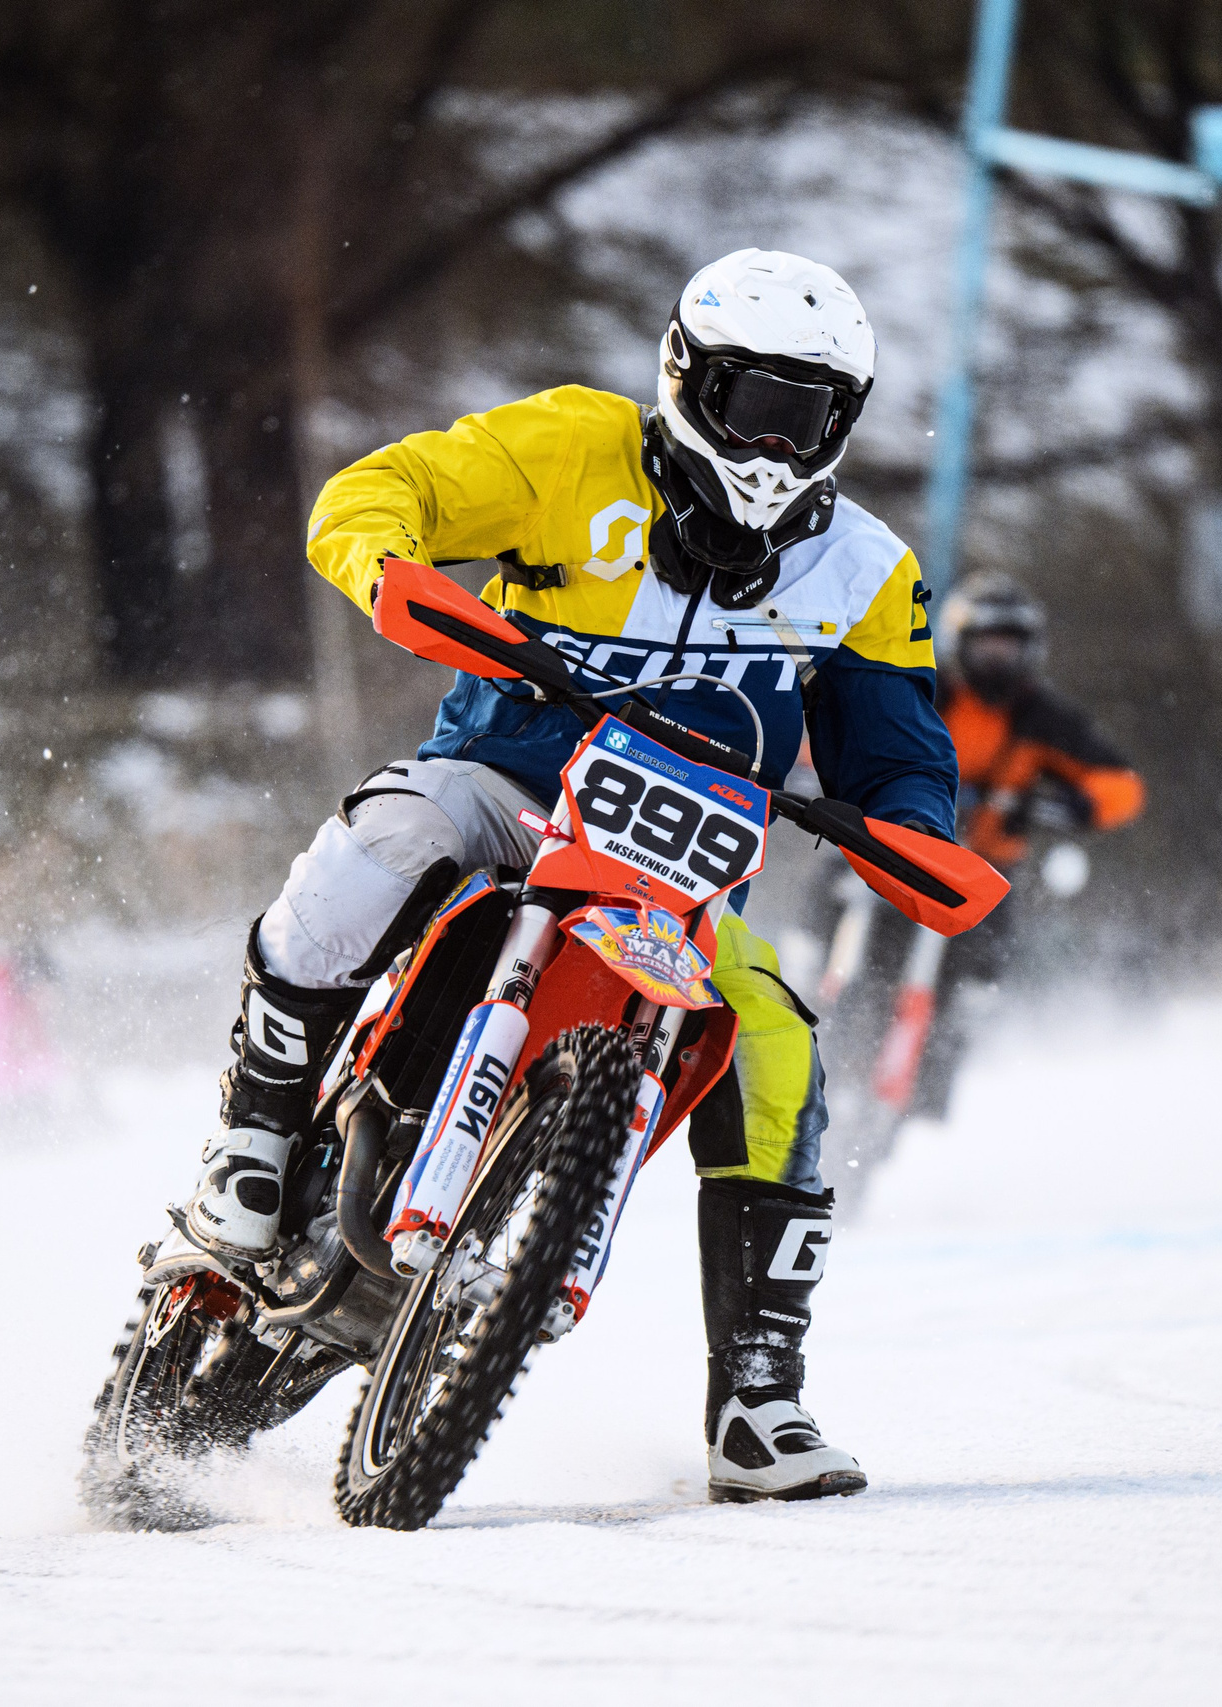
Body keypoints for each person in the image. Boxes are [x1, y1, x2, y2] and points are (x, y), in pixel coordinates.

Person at [174, 249, 961, 1502]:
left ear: (841, 424)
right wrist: (390, 565)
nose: (770, 440)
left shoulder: (866, 572)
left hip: (682, 884)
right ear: (683, 379)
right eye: (749, 401)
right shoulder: (563, 449)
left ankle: (758, 1400)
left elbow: (901, 753)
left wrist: (917, 828)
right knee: (391, 835)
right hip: (506, 796)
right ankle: (256, 1136)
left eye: (802, 414)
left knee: (779, 1037)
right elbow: (382, 491)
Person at [819, 573, 1142, 1129]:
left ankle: (928, 1090)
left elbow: (1121, 785)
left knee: (972, 994)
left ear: (1030, 651)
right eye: (986, 644)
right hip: (900, 850)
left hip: (981, 873)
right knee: (834, 880)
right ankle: (811, 983)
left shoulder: (1044, 717)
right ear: (956, 644)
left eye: (1009, 646)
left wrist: (1070, 806)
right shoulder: (925, 692)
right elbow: (849, 725)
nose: (998, 659)